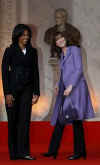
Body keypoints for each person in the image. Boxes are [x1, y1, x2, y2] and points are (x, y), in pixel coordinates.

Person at [43, 32, 95, 160]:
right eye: (57, 39)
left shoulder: (75, 50)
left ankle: (78, 152)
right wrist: (57, 84)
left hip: (76, 89)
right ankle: (54, 151)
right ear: (55, 43)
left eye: (61, 37)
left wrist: (71, 86)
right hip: (65, 90)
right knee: (62, 120)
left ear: (66, 38)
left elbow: (79, 69)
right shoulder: (62, 54)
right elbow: (63, 73)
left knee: (76, 120)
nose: (59, 40)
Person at [1, 24, 40, 160]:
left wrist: (36, 92)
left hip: (27, 90)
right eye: (23, 34)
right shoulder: (10, 50)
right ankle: (14, 153)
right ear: (17, 35)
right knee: (13, 120)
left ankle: (24, 152)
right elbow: (4, 73)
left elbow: (35, 72)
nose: (26, 37)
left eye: (28, 35)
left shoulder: (33, 51)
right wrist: (7, 93)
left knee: (24, 121)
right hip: (12, 90)